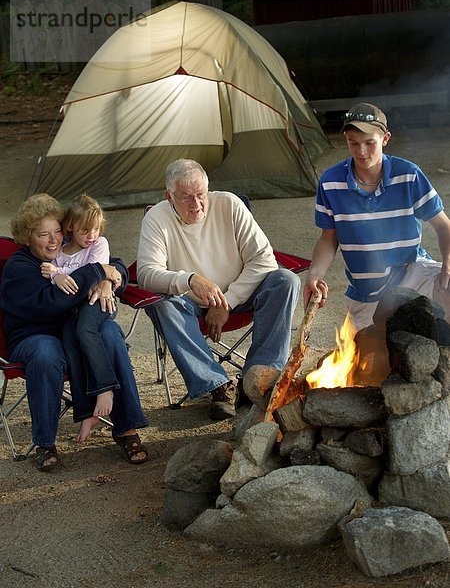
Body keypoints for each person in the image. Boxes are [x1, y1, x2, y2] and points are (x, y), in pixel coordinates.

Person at [137, 158, 301, 420]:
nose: (197, 204)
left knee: (286, 281)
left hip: (240, 295)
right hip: (188, 305)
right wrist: (190, 279)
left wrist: (227, 303)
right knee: (161, 304)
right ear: (169, 196)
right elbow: (145, 275)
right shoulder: (157, 218)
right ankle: (217, 386)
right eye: (186, 197)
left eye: (201, 194)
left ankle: (258, 381)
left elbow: (264, 259)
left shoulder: (229, 204)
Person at [0, 194, 149, 471]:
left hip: (76, 331)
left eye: (57, 231)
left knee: (111, 335)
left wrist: (108, 279)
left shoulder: (70, 249)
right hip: (34, 337)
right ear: (28, 237)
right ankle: (45, 444)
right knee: (47, 353)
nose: (54, 240)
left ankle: (127, 430)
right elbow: (53, 304)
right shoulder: (19, 268)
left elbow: (115, 265)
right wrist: (97, 272)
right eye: (44, 234)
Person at [304, 102, 450, 331]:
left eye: (369, 143)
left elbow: (443, 226)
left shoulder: (409, 175)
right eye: (353, 143)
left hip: (413, 274)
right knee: (370, 363)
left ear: (385, 138)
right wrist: (314, 274)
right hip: (366, 292)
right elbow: (328, 237)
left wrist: (447, 268)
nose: (361, 152)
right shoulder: (330, 182)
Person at [40, 194, 121, 419]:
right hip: (72, 310)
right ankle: (85, 413)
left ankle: (105, 388)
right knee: (69, 340)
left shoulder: (99, 245)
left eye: (95, 229)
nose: (91, 236)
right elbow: (56, 280)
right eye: (84, 231)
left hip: (98, 303)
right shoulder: (60, 253)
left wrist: (57, 274)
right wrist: (56, 277)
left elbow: (93, 272)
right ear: (71, 227)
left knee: (85, 329)